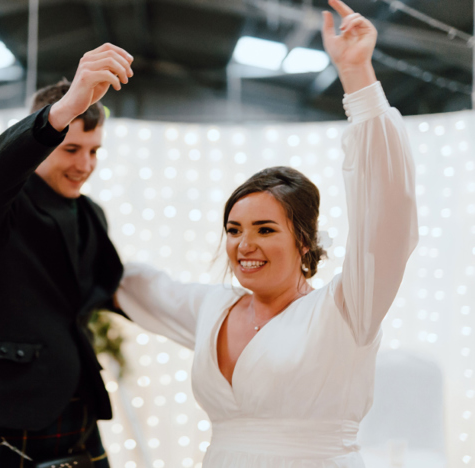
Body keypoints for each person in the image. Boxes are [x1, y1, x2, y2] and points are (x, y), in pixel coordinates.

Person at [115, 1, 418, 466]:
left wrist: (357, 76)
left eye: (264, 229)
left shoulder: (348, 309)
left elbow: (387, 217)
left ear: (304, 240)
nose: (243, 245)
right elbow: (142, 287)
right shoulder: (212, 307)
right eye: (234, 229)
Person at [0, 43, 134, 467]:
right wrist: (66, 107)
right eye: (71, 149)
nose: (85, 165)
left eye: (94, 151)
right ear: (43, 138)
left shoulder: (93, 214)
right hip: (5, 417)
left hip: (80, 410)